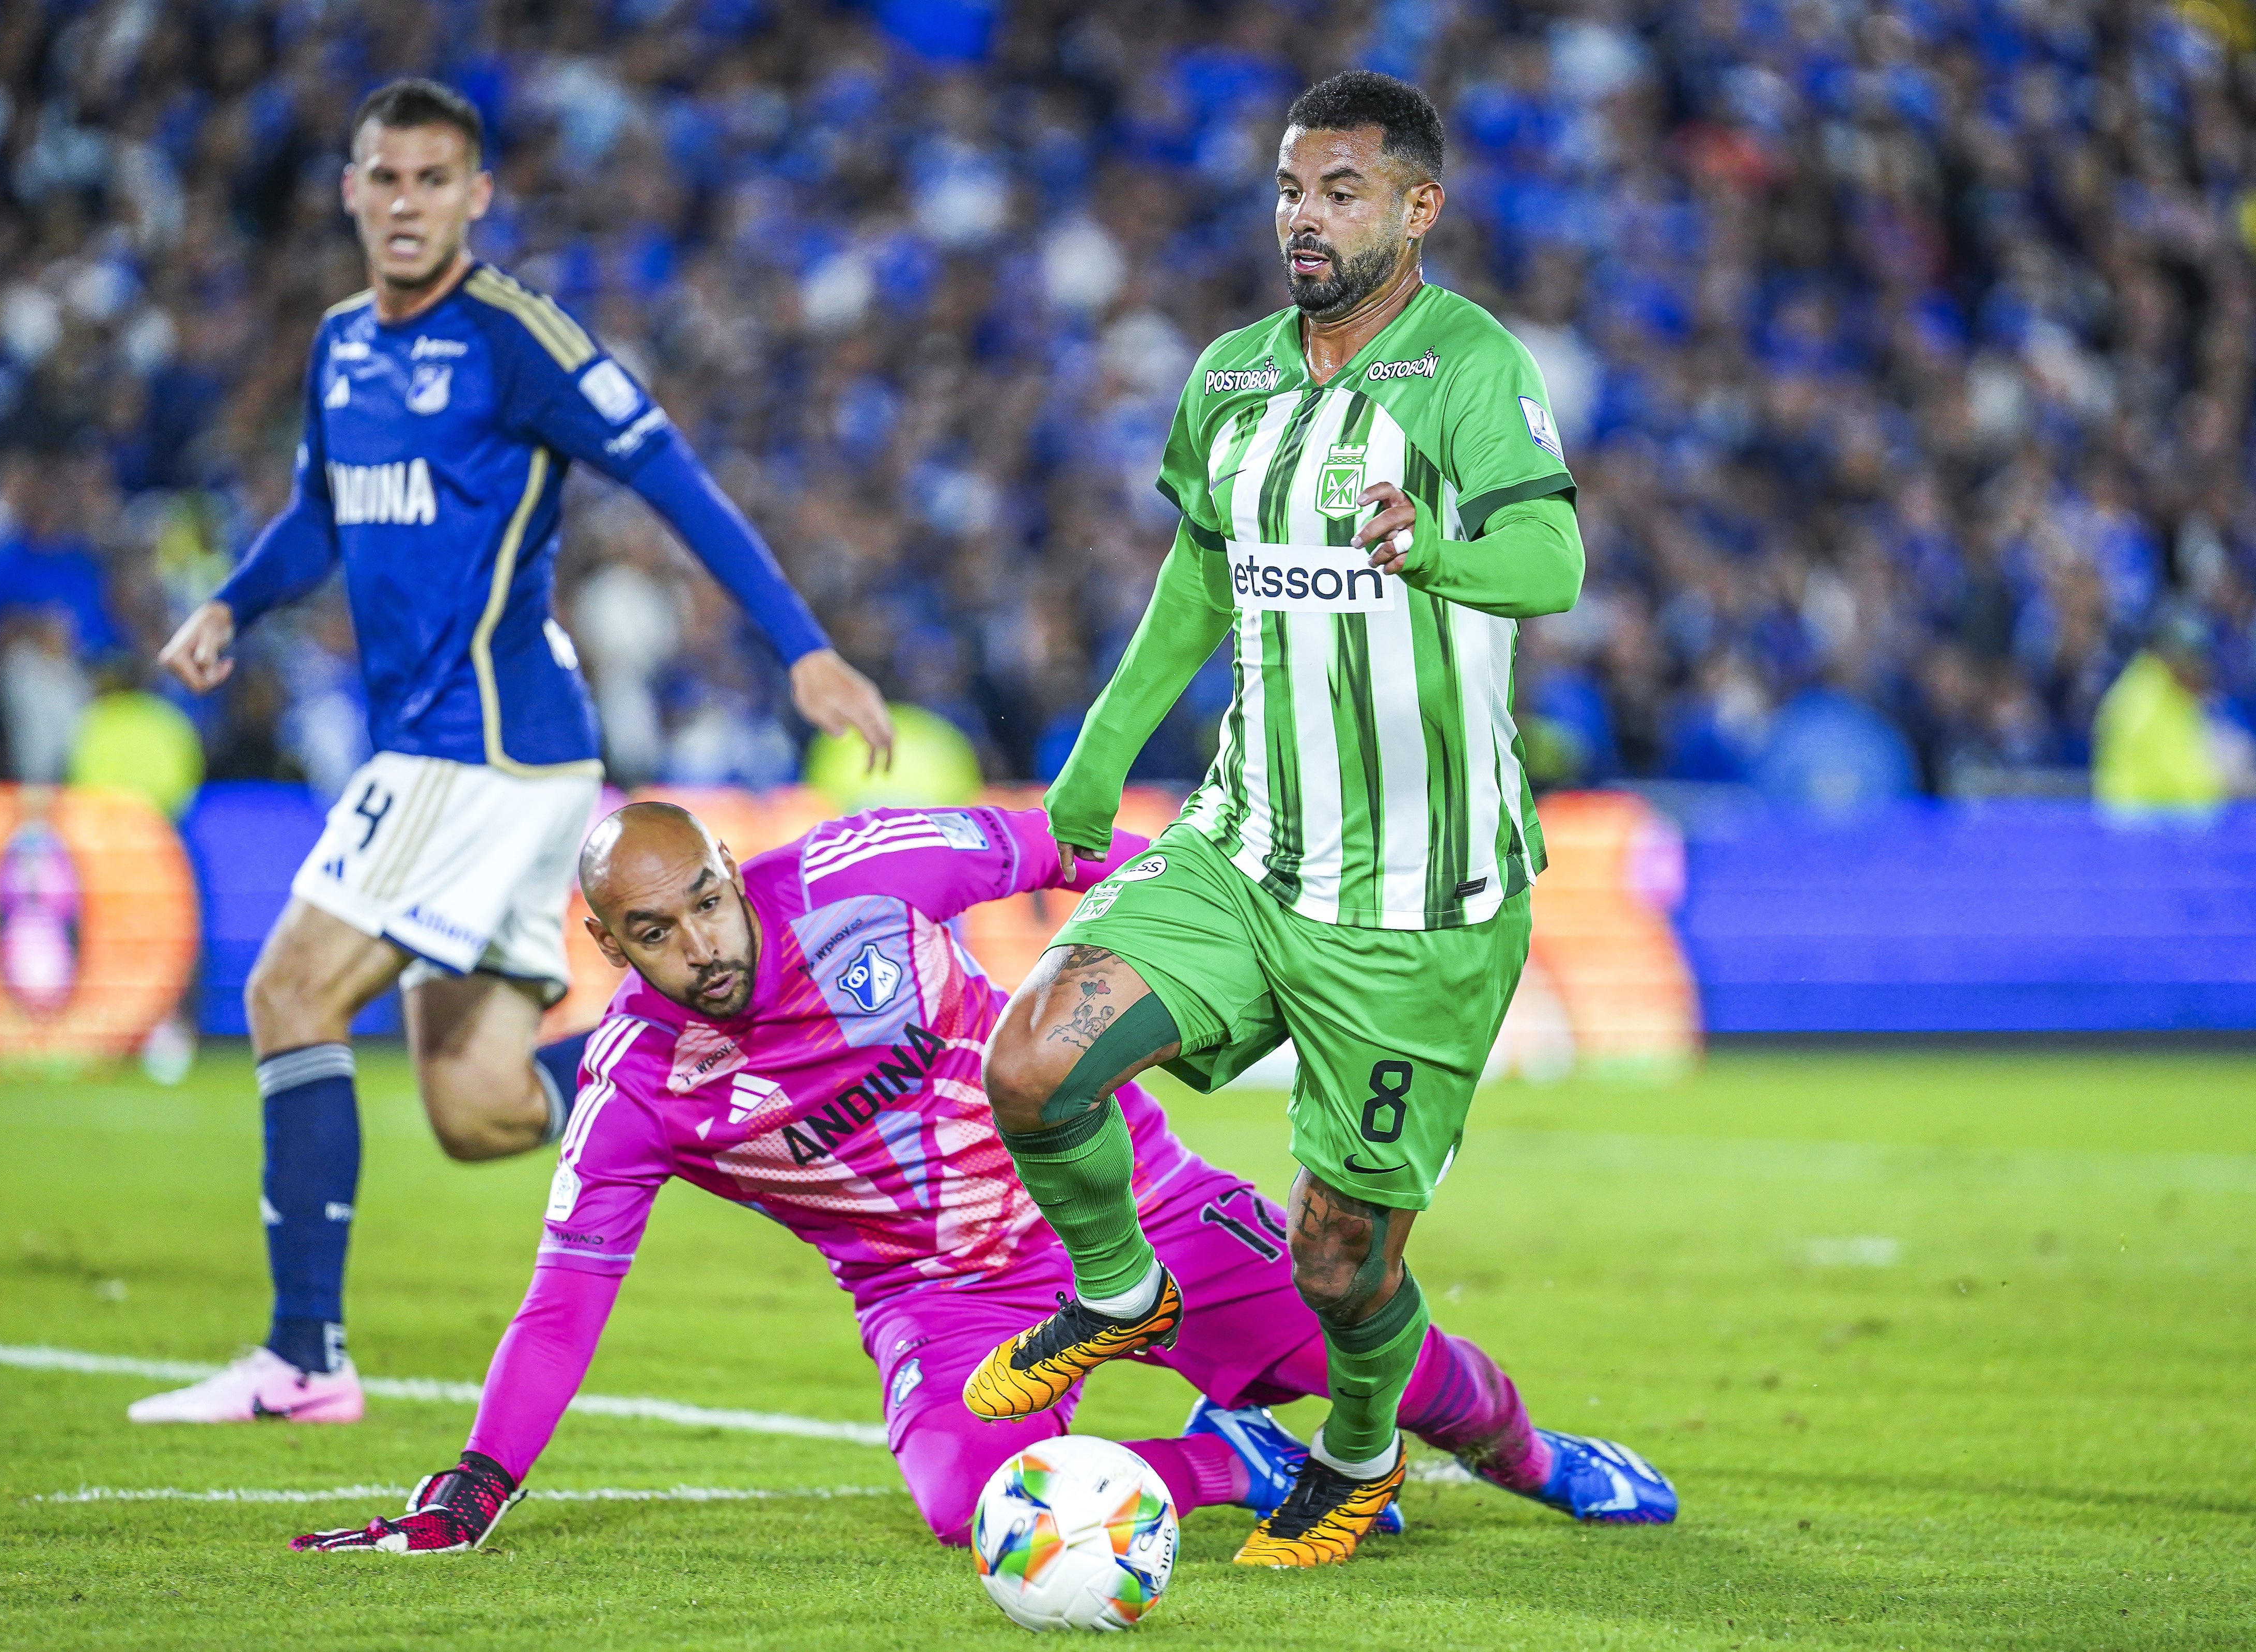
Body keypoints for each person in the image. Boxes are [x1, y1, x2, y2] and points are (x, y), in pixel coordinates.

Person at [288, 802, 1665, 1554]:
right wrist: (479, 1479)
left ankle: (1540, 1460)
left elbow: (1064, 849)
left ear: (727, 868)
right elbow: (565, 1300)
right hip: (942, 1303)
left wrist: (1224, 948)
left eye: (708, 899)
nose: (702, 945)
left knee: (1390, 1351)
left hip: (1138, 1205)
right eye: (654, 932)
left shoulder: (860, 873)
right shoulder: (635, 1095)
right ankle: (1228, 1459)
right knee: (971, 1504)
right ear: (604, 942)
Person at [131, 79, 893, 1425]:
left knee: (288, 995)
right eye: (385, 178)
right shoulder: (339, 348)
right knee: (478, 1109)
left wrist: (801, 645)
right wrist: (234, 605)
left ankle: (304, 1360)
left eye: (435, 180)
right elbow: (320, 511)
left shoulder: (518, 338)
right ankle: (705, 1050)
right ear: (353, 190)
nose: (407, 202)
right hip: (436, 744)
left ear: (477, 195)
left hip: (485, 743)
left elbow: (673, 481)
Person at [964, 70, 1630, 1567]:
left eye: (1340, 192)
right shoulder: (1234, 378)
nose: (1305, 218)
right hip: (1246, 846)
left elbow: (1552, 560)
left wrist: (1439, 550)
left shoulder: (1469, 366)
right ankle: (1125, 1292)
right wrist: (1097, 754)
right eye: (1289, 190)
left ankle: (1359, 1451)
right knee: (1032, 1066)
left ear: (1417, 207)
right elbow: (1201, 574)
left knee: (1339, 1261)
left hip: (1417, 904)